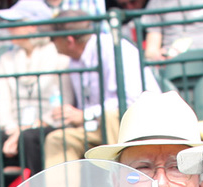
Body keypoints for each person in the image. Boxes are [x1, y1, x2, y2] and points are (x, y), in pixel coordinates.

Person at [0, 0, 70, 187]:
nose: (10, 29)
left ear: (33, 26)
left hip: (47, 126)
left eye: (16, 23)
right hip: (13, 129)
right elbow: (3, 102)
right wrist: (13, 129)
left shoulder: (59, 56)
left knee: (31, 138)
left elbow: (63, 102)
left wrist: (26, 129)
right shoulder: (6, 58)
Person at [44, 9, 160, 167]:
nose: (51, 42)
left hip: (140, 123)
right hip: (98, 126)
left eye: (53, 38)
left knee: (111, 117)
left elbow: (128, 102)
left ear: (69, 41)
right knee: (58, 140)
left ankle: (120, 186)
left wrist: (84, 115)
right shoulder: (73, 60)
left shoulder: (111, 48)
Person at [140, 0, 203, 64]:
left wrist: (198, 59)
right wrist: (160, 56)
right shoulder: (156, 3)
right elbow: (151, 50)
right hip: (172, 68)